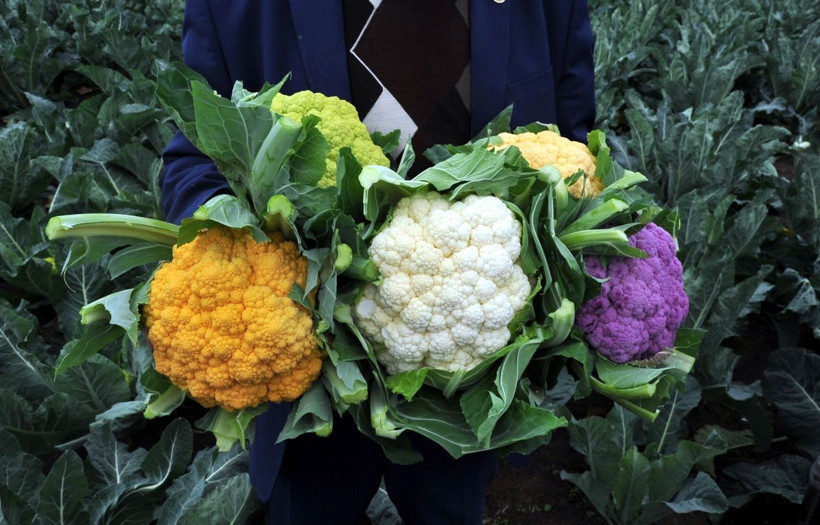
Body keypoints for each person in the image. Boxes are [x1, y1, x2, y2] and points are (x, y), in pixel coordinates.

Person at [160, 1, 596, 523]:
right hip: (305, 364)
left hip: (464, 366)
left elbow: (574, 154)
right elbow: (196, 160)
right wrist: (241, 260)